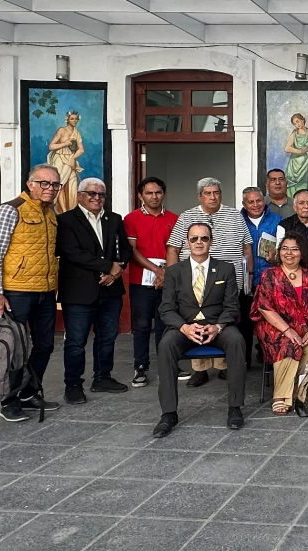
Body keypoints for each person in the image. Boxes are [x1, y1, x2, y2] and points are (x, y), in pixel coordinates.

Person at [0, 164, 64, 422]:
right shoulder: (10, 210)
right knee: (14, 348)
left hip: (44, 291)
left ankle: (29, 392)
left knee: (45, 345)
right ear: (30, 184)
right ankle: (8, 400)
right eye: (44, 183)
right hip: (16, 291)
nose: (50, 189)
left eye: (55, 185)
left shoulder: (50, 213)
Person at [153, 223, 245, 438]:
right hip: (185, 326)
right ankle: (168, 413)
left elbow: (232, 306)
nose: (199, 243)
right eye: (194, 239)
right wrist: (184, 327)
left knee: (237, 341)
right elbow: (166, 308)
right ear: (187, 243)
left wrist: (218, 326)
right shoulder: (174, 271)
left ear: (210, 241)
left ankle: (235, 408)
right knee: (165, 345)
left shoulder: (226, 268)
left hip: (217, 326)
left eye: (204, 238)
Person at [166, 178, 253, 386]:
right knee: (197, 318)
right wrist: (173, 278)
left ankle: (224, 366)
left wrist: (249, 276)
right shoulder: (187, 216)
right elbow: (173, 249)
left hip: (229, 283)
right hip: (196, 282)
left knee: (225, 322)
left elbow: (247, 247)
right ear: (199, 196)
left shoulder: (234, 215)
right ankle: (200, 369)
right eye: (208, 193)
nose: (213, 197)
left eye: (216, 192)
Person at [56, 177, 134, 403]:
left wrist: (116, 270)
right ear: (80, 195)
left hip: (111, 290)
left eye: (101, 195)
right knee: (75, 341)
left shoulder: (114, 219)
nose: (96, 198)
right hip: (79, 292)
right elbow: (71, 252)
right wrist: (107, 266)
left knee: (107, 337)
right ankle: (72, 384)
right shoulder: (66, 220)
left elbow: (125, 250)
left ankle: (102, 377)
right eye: (91, 193)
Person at [251, 232, 308, 415]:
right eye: (285, 248)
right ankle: (282, 396)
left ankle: (303, 391)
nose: (289, 253)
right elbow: (263, 307)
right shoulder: (270, 275)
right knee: (289, 345)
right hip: (276, 327)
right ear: (279, 252)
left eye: (294, 249)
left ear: (302, 252)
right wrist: (288, 330)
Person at [125, 176, 180, 388]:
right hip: (141, 281)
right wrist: (157, 270)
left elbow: (176, 249)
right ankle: (140, 367)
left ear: (164, 194)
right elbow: (131, 250)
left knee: (166, 324)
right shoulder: (131, 219)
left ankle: (168, 364)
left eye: (158, 192)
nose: (154, 196)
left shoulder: (175, 219)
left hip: (168, 280)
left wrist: (166, 273)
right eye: (149, 193)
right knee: (141, 326)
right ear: (141, 196)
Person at [240, 186, 282, 365]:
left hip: (269, 280)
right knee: (244, 323)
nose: (256, 205)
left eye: (258, 200)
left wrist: (277, 257)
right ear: (244, 204)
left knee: (271, 322)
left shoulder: (277, 220)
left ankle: (271, 360)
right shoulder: (237, 220)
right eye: (251, 201)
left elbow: (285, 248)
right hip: (244, 280)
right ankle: (243, 361)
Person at [45, 110, 84, 213]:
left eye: (76, 119)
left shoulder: (77, 133)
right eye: (72, 119)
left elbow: (81, 149)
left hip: (70, 161)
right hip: (60, 159)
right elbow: (51, 146)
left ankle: (72, 211)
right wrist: (64, 144)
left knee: (72, 187)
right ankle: (63, 212)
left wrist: (73, 158)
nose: (74, 121)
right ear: (67, 120)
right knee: (61, 184)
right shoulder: (61, 131)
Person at [284, 113, 308, 202]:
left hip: (305, 165)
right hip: (294, 165)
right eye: (295, 123)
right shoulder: (294, 134)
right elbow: (287, 148)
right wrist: (300, 151)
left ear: (303, 120)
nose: (297, 125)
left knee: (304, 186)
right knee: (292, 188)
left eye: (298, 121)